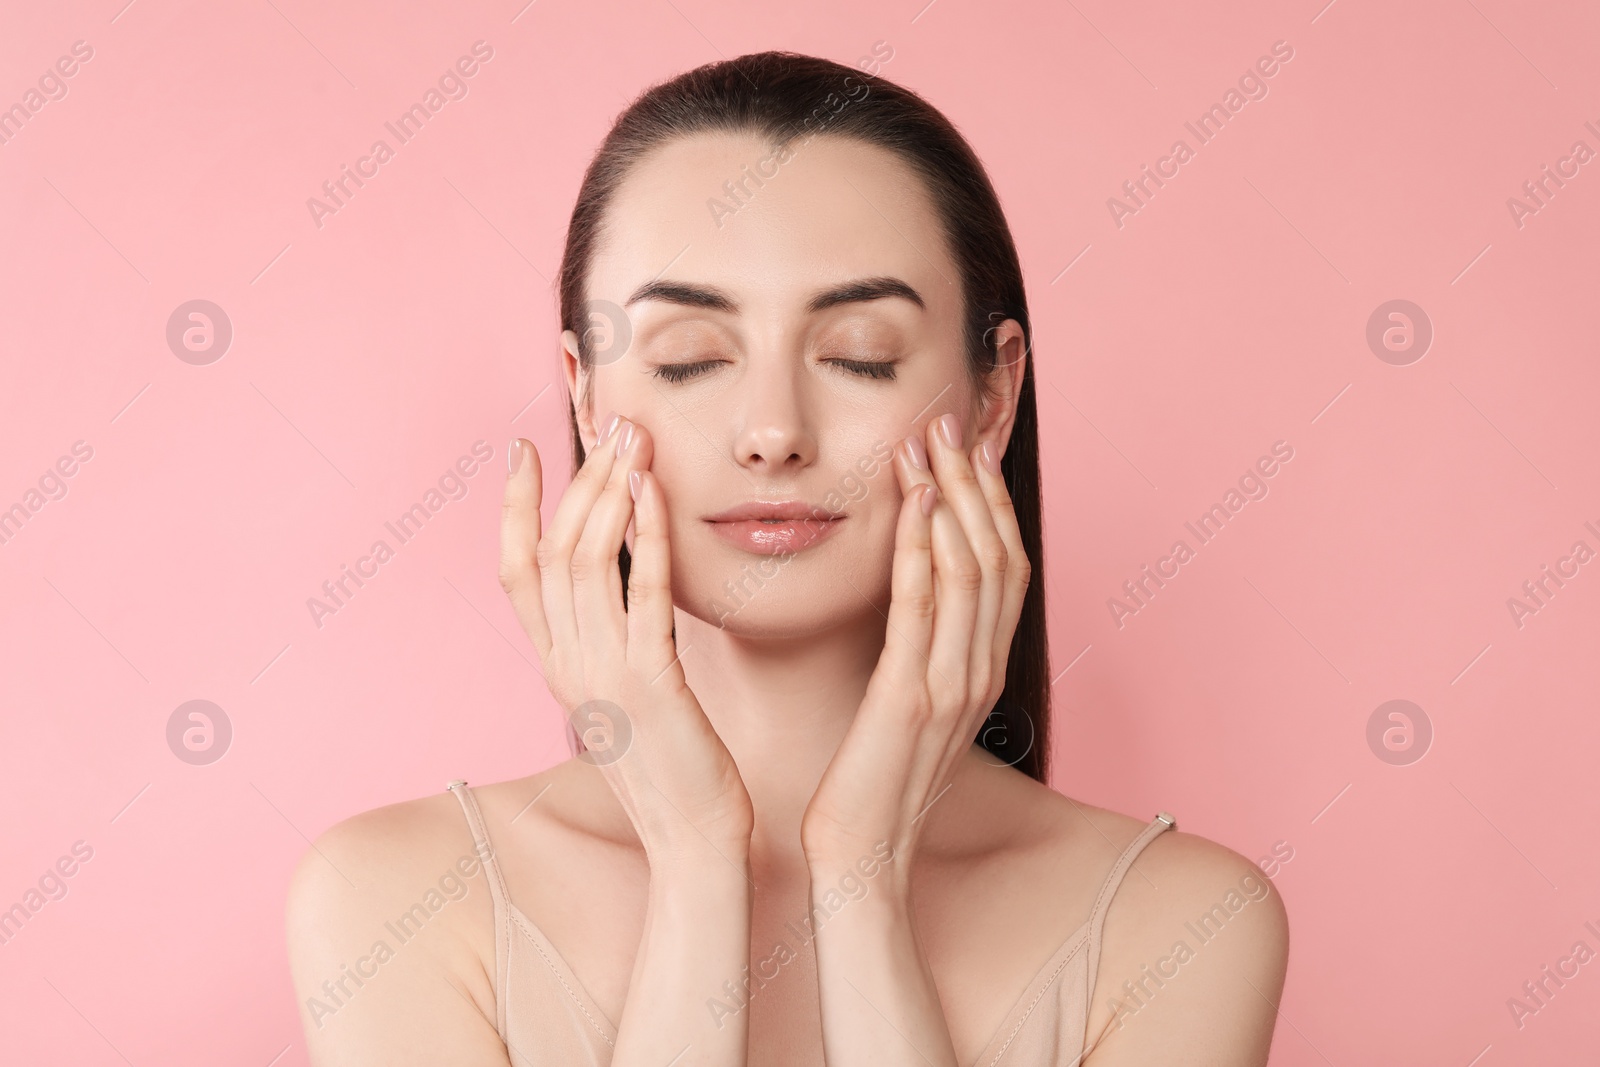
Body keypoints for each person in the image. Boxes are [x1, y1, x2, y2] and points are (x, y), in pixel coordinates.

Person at [285, 49, 1289, 1066]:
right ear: (585, 396)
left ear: (992, 396)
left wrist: (862, 870)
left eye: (860, 352)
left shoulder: (1176, 923)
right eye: (689, 358)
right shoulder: (398, 899)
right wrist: (694, 861)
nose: (772, 431)